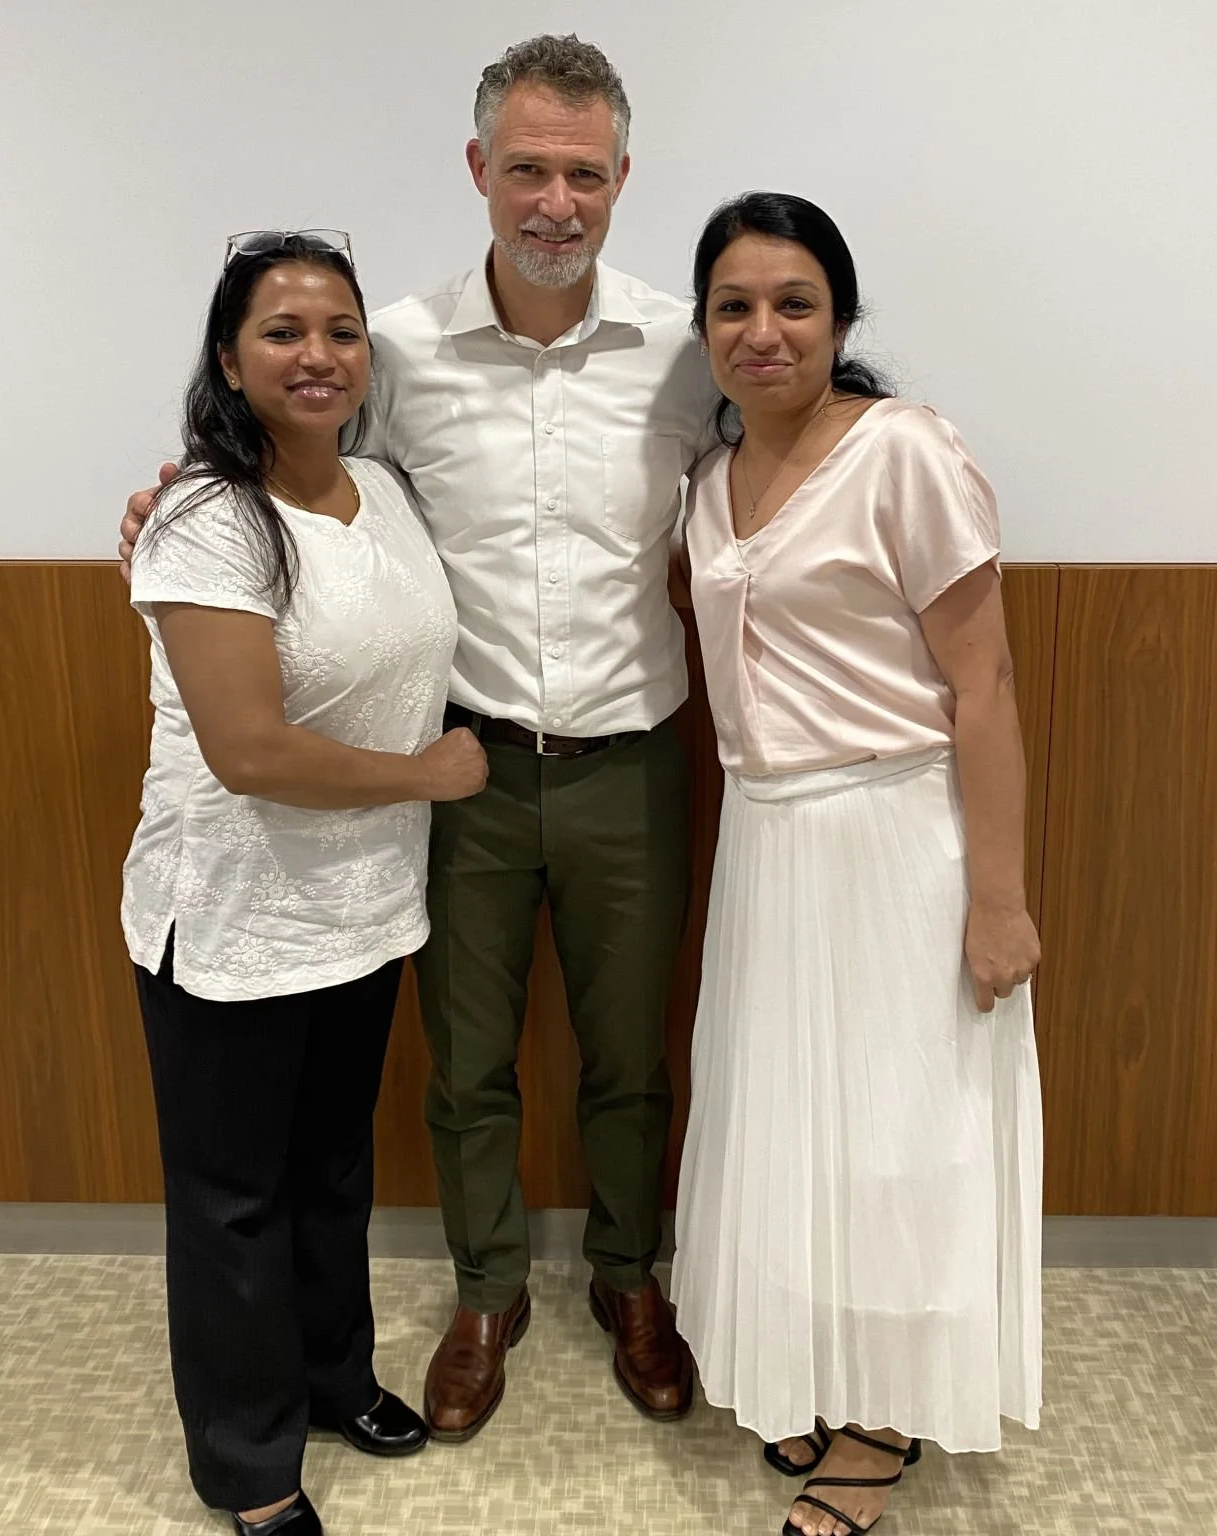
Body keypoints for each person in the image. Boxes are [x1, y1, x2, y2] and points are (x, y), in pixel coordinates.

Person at [120, 36, 716, 1444]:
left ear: (624, 178)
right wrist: (170, 506)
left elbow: (797, 447)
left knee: (632, 1055)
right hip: (464, 771)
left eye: (583, 172)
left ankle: (631, 1279)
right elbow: (286, 462)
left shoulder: (691, 354)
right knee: (468, 1059)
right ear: (479, 173)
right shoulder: (394, 347)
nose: (554, 201)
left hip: (635, 763)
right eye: (527, 169)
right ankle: (487, 1289)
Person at [671, 193, 1044, 1536]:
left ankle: (885, 1426)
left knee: (900, 1133)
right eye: (733, 306)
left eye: (794, 304)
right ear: (703, 327)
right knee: (794, 1119)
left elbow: (985, 684)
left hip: (898, 839)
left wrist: (997, 899)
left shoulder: (905, 453)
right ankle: (830, 1366)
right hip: (772, 846)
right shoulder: (709, 483)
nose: (762, 331)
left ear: (840, 319)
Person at [123, 230, 486, 1536]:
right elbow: (251, 751)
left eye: (340, 329)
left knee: (332, 1168)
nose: (318, 354)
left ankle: (335, 1378)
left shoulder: (380, 494)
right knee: (234, 1199)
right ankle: (247, 1462)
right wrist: (434, 780)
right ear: (231, 357)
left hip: (360, 910)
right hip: (229, 916)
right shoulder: (206, 518)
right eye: (283, 331)